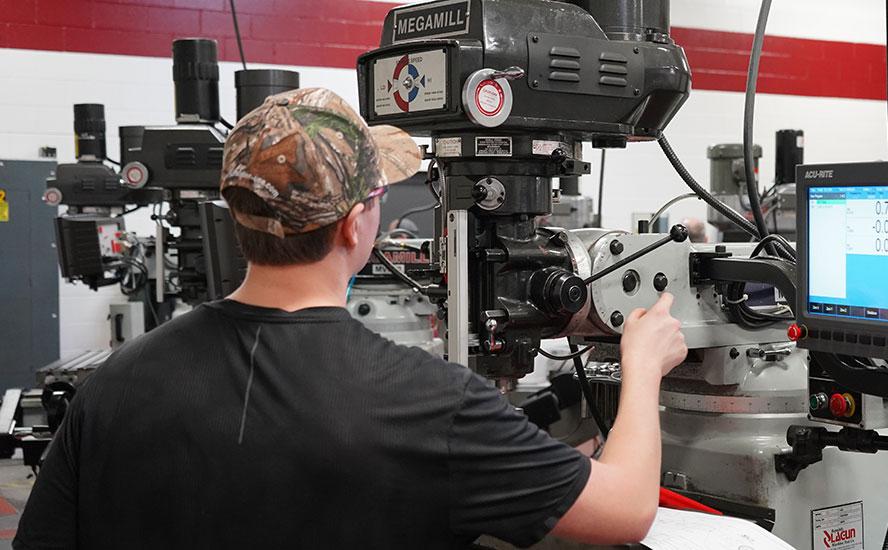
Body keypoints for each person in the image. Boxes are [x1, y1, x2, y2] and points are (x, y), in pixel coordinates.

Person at [15, 88, 688, 549]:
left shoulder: (119, 381)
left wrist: (536, 466)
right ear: (357, 221)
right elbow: (626, 510)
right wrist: (640, 364)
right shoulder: (426, 403)